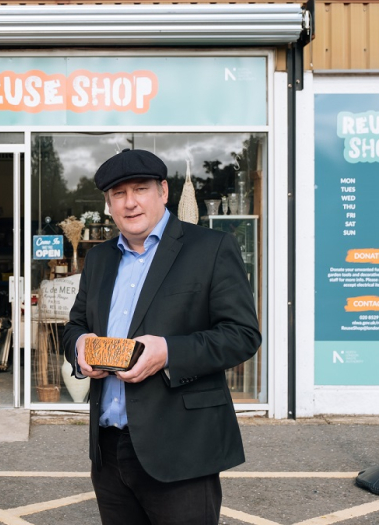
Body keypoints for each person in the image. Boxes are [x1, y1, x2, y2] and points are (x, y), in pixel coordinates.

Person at [63, 149, 262, 525]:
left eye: (140, 189)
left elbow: (242, 335)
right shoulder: (101, 258)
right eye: (118, 194)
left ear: (164, 192)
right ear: (109, 204)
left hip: (181, 447)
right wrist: (80, 346)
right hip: (108, 448)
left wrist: (167, 352)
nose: (131, 202)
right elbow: (74, 326)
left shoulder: (210, 248)